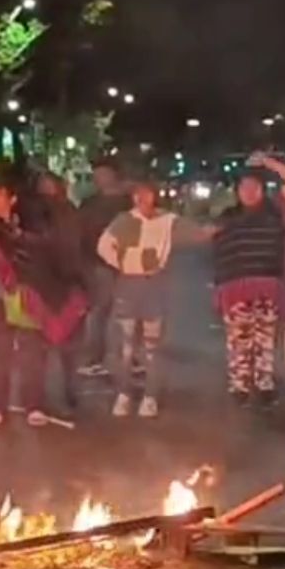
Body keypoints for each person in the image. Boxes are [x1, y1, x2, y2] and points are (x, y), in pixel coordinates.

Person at [0, 175, 89, 427]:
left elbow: (48, 250)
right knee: (1, 351)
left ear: (13, 199)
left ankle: (33, 404)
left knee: (32, 350)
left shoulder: (29, 226)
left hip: (27, 295)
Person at [211, 152, 285, 406]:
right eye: (244, 188)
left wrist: (268, 163)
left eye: (254, 187)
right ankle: (239, 385)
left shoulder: (276, 209)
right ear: (237, 192)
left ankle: (264, 383)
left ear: (263, 190)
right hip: (235, 285)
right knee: (239, 338)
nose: (249, 192)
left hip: (268, 283)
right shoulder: (228, 216)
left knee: (265, 338)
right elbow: (217, 247)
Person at [96, 178, 181, 418]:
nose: (141, 199)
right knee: (125, 346)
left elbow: (193, 233)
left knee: (152, 348)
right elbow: (103, 246)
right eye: (137, 195)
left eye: (146, 193)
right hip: (128, 286)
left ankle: (150, 396)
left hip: (153, 286)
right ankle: (124, 393)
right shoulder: (124, 221)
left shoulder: (167, 221)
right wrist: (123, 262)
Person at [74, 160, 130, 379]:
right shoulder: (90, 204)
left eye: (103, 174)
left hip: (128, 264)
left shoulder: (127, 203)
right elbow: (80, 232)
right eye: (97, 175)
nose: (100, 179)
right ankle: (94, 358)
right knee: (99, 311)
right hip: (99, 263)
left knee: (131, 312)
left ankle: (132, 358)